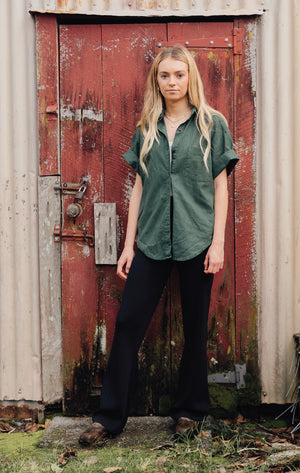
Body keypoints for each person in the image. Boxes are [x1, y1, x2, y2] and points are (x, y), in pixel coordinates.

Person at [79, 45, 238, 446]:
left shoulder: (211, 124)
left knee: (195, 329)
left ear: (190, 78)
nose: (172, 82)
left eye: (179, 75)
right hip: (151, 240)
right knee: (129, 323)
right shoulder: (146, 127)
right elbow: (140, 189)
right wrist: (128, 245)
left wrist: (217, 242)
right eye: (165, 75)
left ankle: (189, 411)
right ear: (157, 80)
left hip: (197, 239)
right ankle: (109, 418)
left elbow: (221, 187)